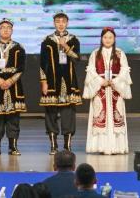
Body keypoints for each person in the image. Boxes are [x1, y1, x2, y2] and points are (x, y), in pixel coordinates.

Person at [82, 27, 132, 155]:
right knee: (100, 114)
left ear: (114, 39)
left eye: (110, 37)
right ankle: (101, 147)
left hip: (115, 89)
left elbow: (125, 70)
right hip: (101, 89)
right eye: (105, 37)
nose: (108, 40)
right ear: (101, 38)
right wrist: (100, 81)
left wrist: (115, 81)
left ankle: (117, 147)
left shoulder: (120, 53)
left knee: (116, 115)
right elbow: (91, 70)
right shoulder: (95, 54)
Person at [39, 12, 82, 154]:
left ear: (67, 23)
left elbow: (77, 59)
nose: (61, 24)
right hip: (51, 82)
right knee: (50, 113)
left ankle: (67, 145)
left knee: (68, 114)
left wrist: (66, 47)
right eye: (58, 21)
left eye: (63, 21)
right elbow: (42, 63)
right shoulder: (47, 40)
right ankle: (53, 145)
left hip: (69, 81)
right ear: (54, 23)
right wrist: (43, 81)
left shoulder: (74, 40)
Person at [0, 18, 26, 156]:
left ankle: (13, 147)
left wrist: (10, 81)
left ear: (12, 30)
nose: (6, 30)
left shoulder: (19, 48)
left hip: (14, 88)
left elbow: (21, 68)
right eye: (3, 27)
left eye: (8, 27)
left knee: (13, 118)